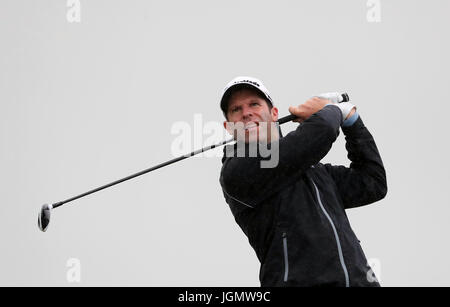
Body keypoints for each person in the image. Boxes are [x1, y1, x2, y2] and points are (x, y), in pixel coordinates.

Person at [219, 76, 387, 287]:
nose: (246, 113)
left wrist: (353, 121)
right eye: (236, 109)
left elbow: (373, 182)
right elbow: (321, 131)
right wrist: (333, 110)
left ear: (274, 114)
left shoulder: (315, 171)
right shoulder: (236, 172)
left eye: (254, 104)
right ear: (228, 126)